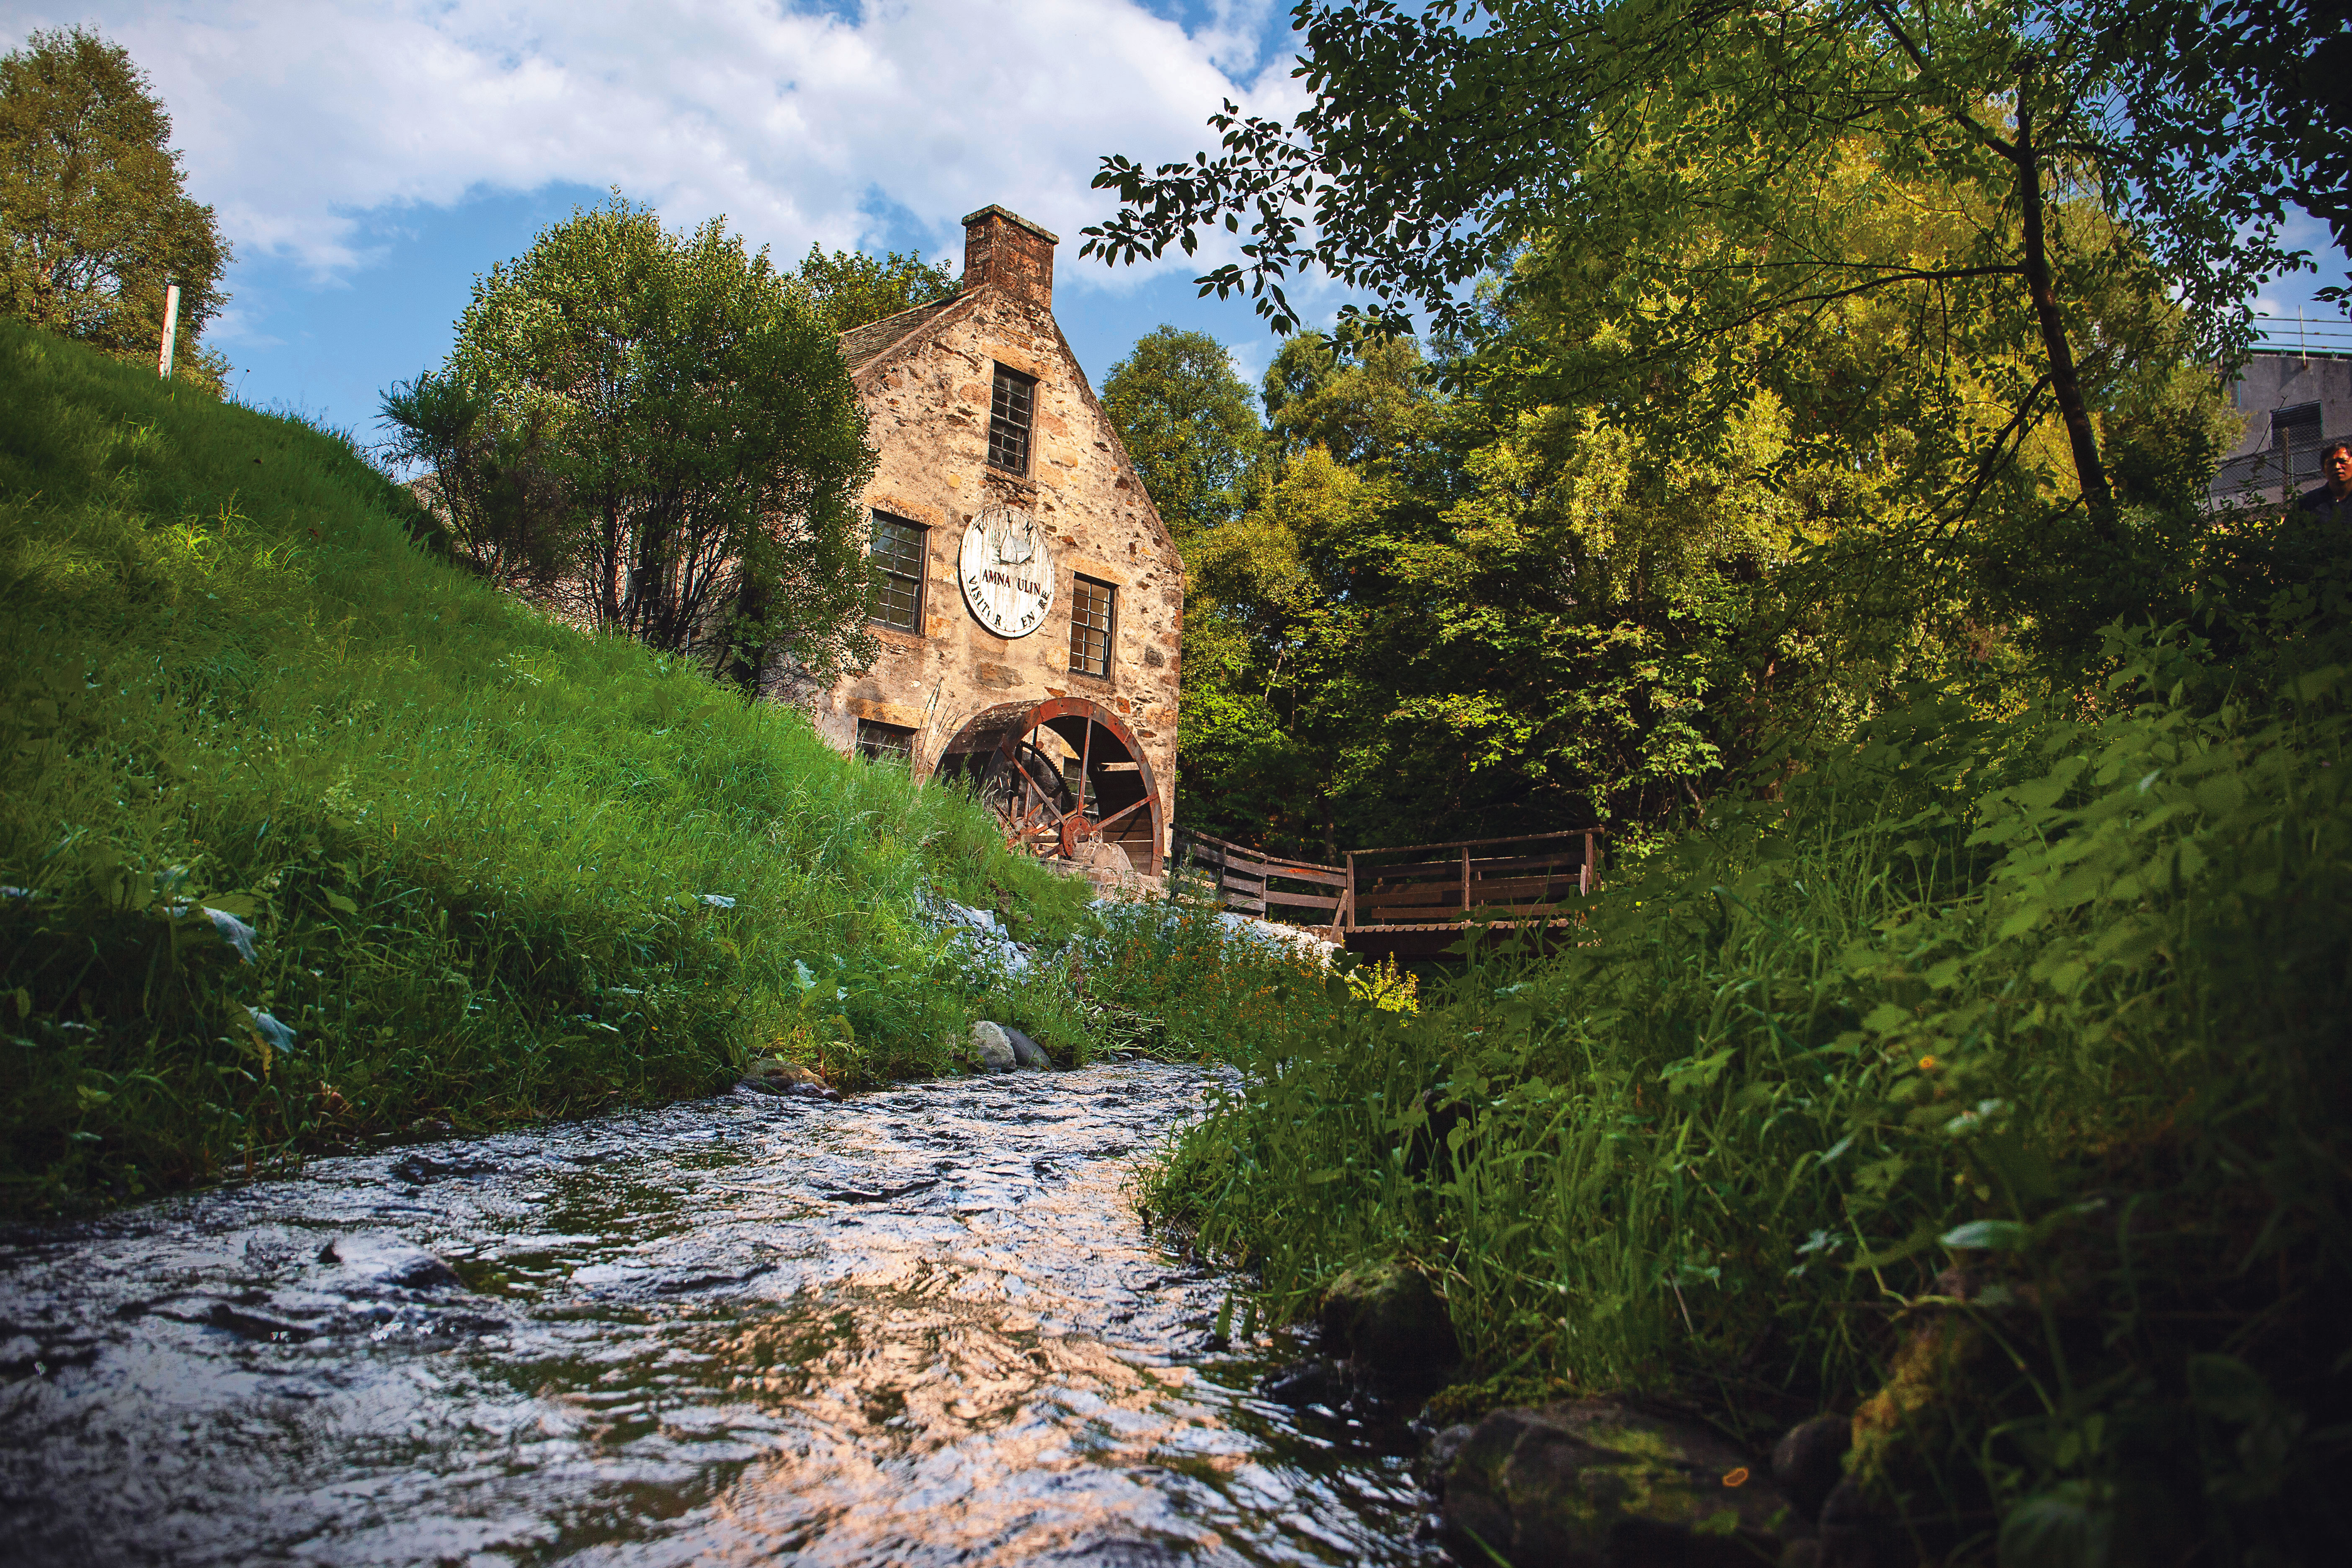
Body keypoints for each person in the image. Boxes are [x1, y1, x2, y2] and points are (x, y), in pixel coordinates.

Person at [2295, 438, 2352, 527]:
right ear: (2323, 470)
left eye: (2343, 462)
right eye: (2331, 463)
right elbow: (2287, 536)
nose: (2337, 467)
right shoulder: (2307, 503)